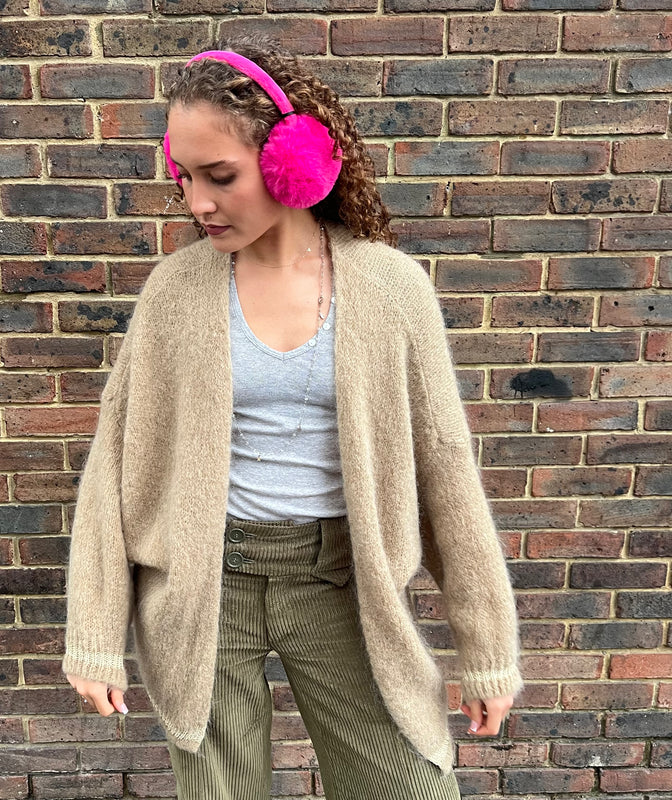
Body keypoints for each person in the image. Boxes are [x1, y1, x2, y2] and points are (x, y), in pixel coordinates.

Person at [62, 39, 522, 800]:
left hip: (340, 583)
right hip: (204, 589)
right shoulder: (175, 292)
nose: (198, 202)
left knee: (408, 786)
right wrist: (94, 636)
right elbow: (114, 469)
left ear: (292, 162)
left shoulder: (389, 289)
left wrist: (488, 650)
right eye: (185, 176)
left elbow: (446, 470)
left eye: (220, 176)